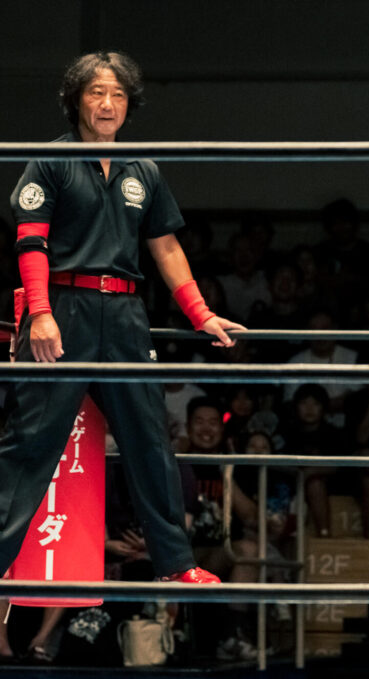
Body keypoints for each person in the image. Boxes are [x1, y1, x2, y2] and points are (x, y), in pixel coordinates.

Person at [1, 51, 243, 584]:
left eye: (117, 94)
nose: (107, 103)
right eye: (96, 92)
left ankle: (176, 564)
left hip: (126, 314)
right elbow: (31, 241)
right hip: (63, 309)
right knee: (31, 443)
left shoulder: (144, 169)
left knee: (151, 439)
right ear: (76, 100)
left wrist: (199, 313)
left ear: (129, 105)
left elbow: (166, 247)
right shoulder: (50, 161)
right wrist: (40, 312)